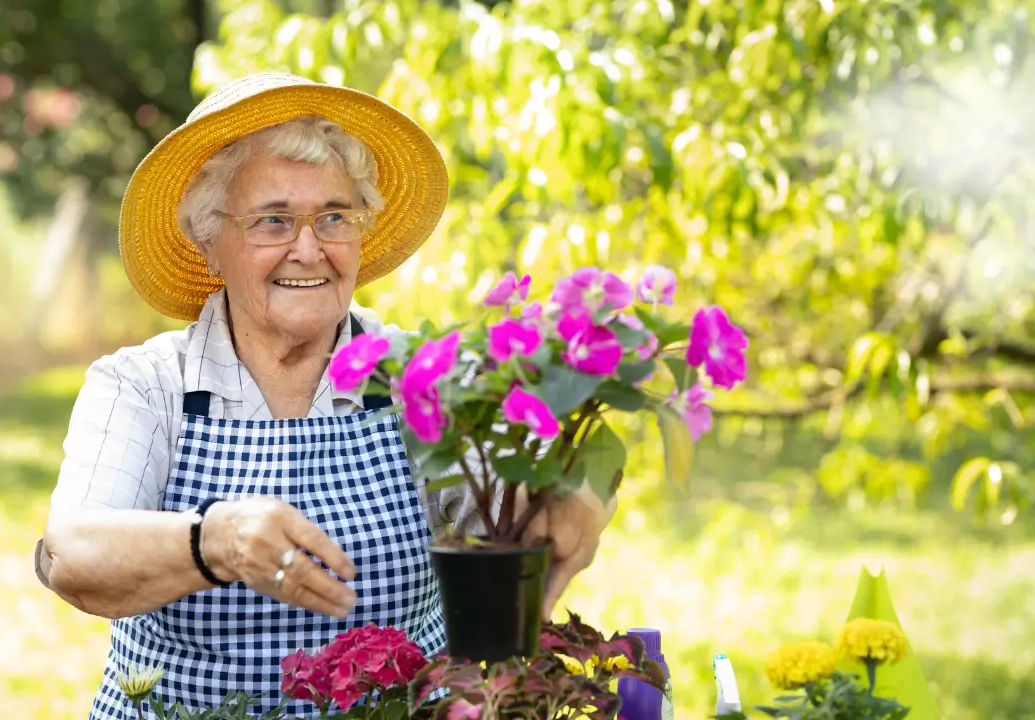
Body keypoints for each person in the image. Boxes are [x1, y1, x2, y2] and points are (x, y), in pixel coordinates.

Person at [32, 73, 615, 720]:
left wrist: (576, 491)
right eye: (273, 221)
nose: (308, 250)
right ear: (209, 241)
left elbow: (539, 483)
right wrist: (215, 541)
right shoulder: (147, 385)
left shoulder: (418, 376)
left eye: (334, 217)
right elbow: (72, 555)